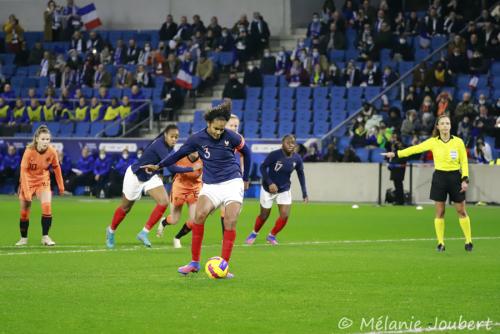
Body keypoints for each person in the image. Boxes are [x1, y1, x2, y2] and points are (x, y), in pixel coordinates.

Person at [141, 101, 251, 278]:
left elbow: (247, 152)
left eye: (222, 129)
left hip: (232, 182)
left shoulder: (232, 137)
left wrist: (245, 179)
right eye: (216, 128)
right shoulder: (197, 139)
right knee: (198, 216)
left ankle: (224, 265)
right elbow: (177, 155)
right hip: (211, 184)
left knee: (230, 220)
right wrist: (159, 166)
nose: (218, 132)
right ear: (209, 124)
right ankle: (194, 263)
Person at [382, 115, 473, 252]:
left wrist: (465, 179)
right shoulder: (433, 142)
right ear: (437, 126)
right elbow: (415, 149)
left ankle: (468, 241)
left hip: (455, 177)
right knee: (440, 212)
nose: (445, 126)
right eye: (442, 123)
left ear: (450, 126)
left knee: (461, 210)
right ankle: (440, 243)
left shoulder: (458, 142)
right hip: (439, 177)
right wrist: (395, 154)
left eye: (447, 123)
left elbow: (464, 162)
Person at [105, 125, 200, 248]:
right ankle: (111, 231)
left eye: (176, 137)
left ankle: (144, 233)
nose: (174, 139)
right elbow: (171, 168)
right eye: (172, 136)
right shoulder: (159, 146)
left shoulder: (169, 148)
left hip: (150, 176)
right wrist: (192, 168)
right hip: (136, 175)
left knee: (164, 201)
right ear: (165, 135)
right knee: (125, 208)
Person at [245, 135, 308, 245]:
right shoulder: (275, 155)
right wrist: (270, 183)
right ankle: (254, 233)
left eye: (293, 143)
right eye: (288, 142)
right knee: (264, 216)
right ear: (282, 144)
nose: (290, 145)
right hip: (268, 189)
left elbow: (301, 174)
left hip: (284, 189)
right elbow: (262, 167)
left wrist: (304, 193)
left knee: (285, 215)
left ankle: (272, 236)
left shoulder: (297, 158)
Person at [16, 125, 64, 246]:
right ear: (37, 138)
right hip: (28, 180)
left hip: (42, 180)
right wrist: (26, 190)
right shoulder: (29, 151)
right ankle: (23, 238)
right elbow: (23, 172)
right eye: (43, 139)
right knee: (24, 212)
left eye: (48, 139)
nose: (45, 142)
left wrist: (61, 185)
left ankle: (45, 237)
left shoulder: (52, 151)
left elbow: (57, 168)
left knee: (47, 207)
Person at [156, 152, 203, 248]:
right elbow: (170, 166)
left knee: (194, 220)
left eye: (196, 149)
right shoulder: (180, 156)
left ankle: (177, 238)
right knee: (174, 220)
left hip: (195, 188)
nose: (195, 151)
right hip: (180, 187)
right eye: (192, 149)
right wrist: (191, 168)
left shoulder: (204, 157)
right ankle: (164, 221)